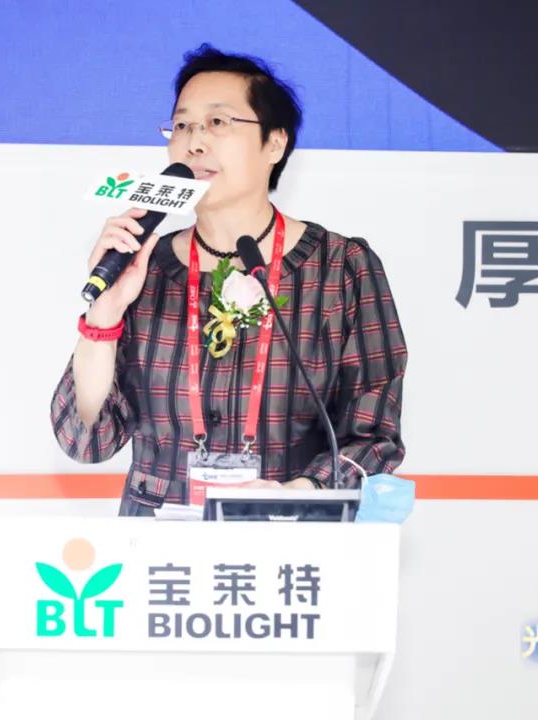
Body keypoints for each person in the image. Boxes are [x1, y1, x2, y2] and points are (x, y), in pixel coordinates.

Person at [51, 44, 407, 516]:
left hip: (290, 539)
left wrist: (298, 491)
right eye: (182, 126)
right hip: (157, 546)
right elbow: (86, 440)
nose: (194, 143)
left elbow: (374, 437)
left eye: (217, 122)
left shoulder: (342, 267)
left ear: (275, 143)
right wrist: (106, 312)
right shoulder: (144, 266)